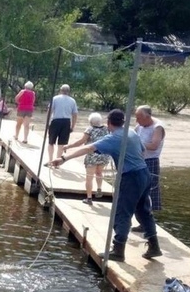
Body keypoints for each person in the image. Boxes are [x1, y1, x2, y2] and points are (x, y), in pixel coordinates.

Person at [49, 109, 162, 262]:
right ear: (122, 121)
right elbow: (142, 151)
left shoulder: (113, 138)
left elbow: (89, 148)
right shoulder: (132, 133)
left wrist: (63, 158)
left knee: (122, 212)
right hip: (144, 174)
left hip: (131, 177)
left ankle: (118, 249)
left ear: (109, 123)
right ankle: (154, 246)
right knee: (144, 211)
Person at [63, 112, 111, 205]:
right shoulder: (106, 129)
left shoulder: (90, 129)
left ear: (90, 121)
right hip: (104, 155)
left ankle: (89, 198)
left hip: (92, 155)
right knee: (99, 172)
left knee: (89, 177)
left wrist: (68, 146)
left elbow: (81, 142)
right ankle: (99, 188)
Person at [131, 105, 165, 232]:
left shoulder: (157, 127)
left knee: (148, 194)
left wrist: (137, 144)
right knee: (135, 192)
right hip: (138, 161)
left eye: (139, 118)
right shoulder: (140, 124)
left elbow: (154, 145)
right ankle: (142, 223)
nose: (137, 120)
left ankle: (147, 224)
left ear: (147, 117)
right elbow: (132, 136)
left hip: (150, 162)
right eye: (136, 117)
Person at [47, 84, 78, 163]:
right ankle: (57, 161)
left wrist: (47, 122)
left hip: (56, 121)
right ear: (69, 91)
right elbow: (74, 115)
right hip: (66, 122)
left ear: (60, 90)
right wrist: (72, 126)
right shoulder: (72, 100)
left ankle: (50, 160)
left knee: (51, 142)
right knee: (62, 143)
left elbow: (50, 111)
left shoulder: (55, 98)